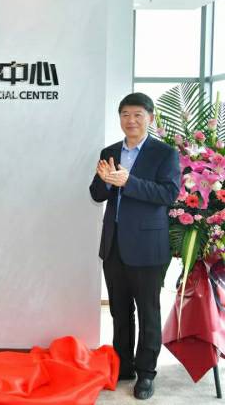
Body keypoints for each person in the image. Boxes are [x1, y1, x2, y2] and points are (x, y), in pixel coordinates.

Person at [89, 93, 180, 400]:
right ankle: (124, 366)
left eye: (138, 115)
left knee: (148, 314)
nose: (131, 120)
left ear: (150, 118)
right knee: (119, 310)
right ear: (120, 118)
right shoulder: (110, 152)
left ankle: (146, 374)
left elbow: (168, 194)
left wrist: (129, 182)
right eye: (125, 115)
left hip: (147, 247)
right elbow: (96, 193)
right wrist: (105, 181)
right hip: (114, 245)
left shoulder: (164, 153)